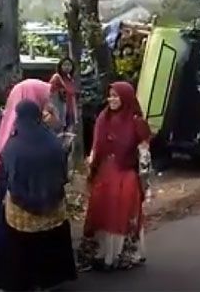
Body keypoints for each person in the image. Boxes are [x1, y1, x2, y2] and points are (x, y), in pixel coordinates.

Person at [0, 100, 77, 291]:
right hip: (53, 209)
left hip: (22, 214)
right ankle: (48, 281)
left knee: (20, 248)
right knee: (49, 243)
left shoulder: (13, 146)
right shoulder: (53, 141)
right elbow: (63, 172)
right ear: (38, 116)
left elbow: (7, 177)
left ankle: (24, 282)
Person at [80, 82, 151, 271]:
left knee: (120, 214)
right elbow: (96, 146)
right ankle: (100, 255)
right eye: (109, 95)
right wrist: (91, 164)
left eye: (116, 96)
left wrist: (145, 182)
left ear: (126, 97)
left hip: (126, 175)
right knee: (101, 211)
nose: (111, 99)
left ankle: (120, 256)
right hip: (104, 173)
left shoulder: (136, 121)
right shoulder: (103, 118)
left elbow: (144, 153)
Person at [49, 56, 78, 132]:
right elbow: (50, 93)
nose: (67, 67)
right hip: (59, 111)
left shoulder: (70, 79)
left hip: (70, 111)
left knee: (68, 135)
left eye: (69, 65)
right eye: (65, 65)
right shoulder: (56, 78)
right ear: (60, 66)